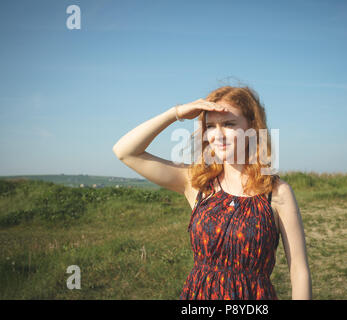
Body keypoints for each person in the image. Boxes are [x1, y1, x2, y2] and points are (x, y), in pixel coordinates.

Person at [112, 85, 312, 300]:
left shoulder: (276, 193)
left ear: (252, 127)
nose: (218, 135)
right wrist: (177, 113)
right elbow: (125, 151)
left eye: (228, 124)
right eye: (210, 126)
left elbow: (299, 270)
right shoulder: (198, 183)